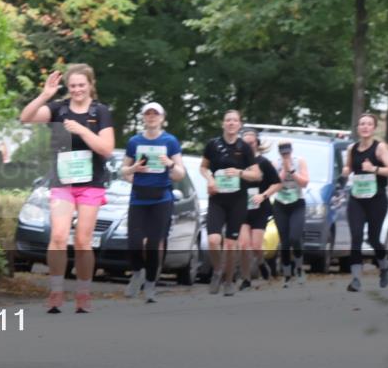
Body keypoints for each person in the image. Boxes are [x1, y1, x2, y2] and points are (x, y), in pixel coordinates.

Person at [20, 64, 114, 313]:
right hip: (62, 181)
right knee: (59, 236)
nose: (77, 90)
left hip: (91, 183)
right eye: (72, 86)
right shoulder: (58, 109)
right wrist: (45, 94)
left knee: (83, 241)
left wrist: (82, 129)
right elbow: (25, 118)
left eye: (81, 85)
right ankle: (56, 290)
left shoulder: (100, 112)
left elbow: (106, 148)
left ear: (90, 85)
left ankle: (83, 294)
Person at [120, 102, 185, 304]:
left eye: (155, 114)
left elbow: (180, 173)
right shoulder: (134, 141)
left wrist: (170, 164)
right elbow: (123, 170)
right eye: (148, 114)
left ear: (162, 118)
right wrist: (133, 170)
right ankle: (137, 272)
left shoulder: (170, 141)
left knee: (154, 243)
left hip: (161, 199)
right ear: (143, 118)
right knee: (134, 242)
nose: (151, 117)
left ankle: (150, 284)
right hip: (138, 197)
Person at [200, 110, 261, 296]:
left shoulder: (244, 148)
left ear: (239, 125)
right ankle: (218, 270)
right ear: (223, 124)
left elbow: (256, 174)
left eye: (235, 120)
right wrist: (210, 179)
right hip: (217, 199)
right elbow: (203, 167)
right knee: (213, 240)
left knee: (230, 244)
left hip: (237, 200)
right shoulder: (213, 144)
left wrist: (240, 172)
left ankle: (228, 281)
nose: (231, 123)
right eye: (228, 120)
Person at [341, 113, 388, 292]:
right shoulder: (352, 148)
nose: (365, 127)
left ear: (373, 128)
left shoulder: (380, 148)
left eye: (368, 124)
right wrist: (346, 170)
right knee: (356, 237)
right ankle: (356, 279)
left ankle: (384, 265)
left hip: (376, 199)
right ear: (358, 128)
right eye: (362, 124)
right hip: (357, 197)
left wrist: (374, 169)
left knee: (373, 238)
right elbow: (349, 167)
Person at [238, 128, 282, 291]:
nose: (248, 146)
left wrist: (263, 195)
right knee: (243, 245)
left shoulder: (263, 163)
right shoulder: (238, 163)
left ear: (256, 144)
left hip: (259, 208)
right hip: (242, 208)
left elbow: (277, 184)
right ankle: (246, 278)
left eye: (251, 143)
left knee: (256, 245)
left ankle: (261, 262)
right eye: (244, 143)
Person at [273, 140, 309, 287]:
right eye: (283, 153)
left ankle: (299, 267)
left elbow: (305, 182)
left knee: (295, 237)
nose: (285, 155)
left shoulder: (299, 161)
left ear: (291, 151)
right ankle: (287, 274)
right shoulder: (275, 164)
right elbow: (275, 184)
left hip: (297, 203)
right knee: (285, 242)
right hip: (281, 204)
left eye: (287, 152)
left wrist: (292, 171)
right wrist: (284, 170)